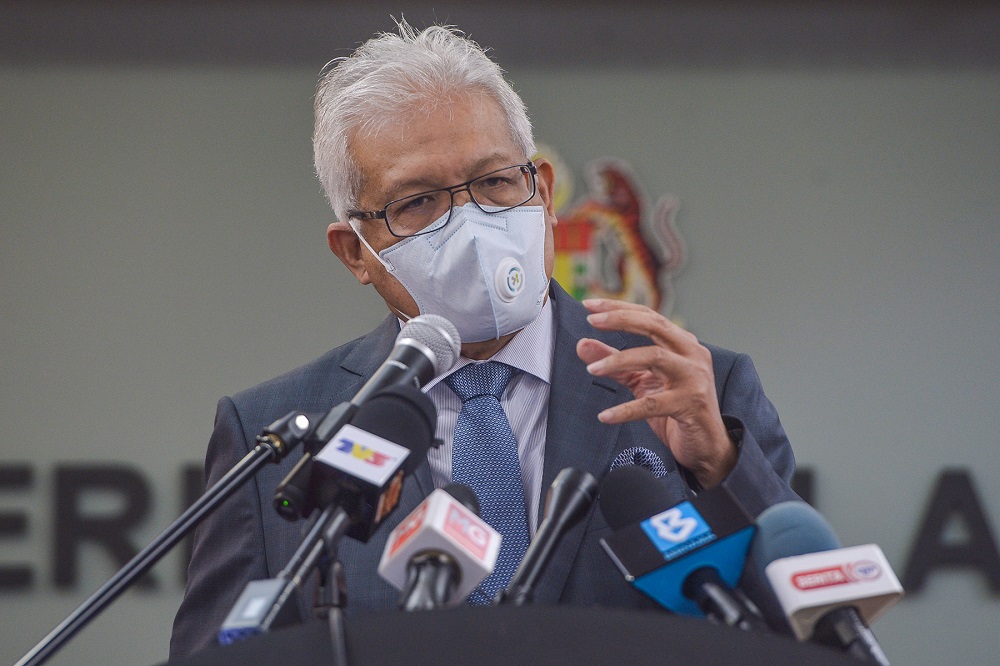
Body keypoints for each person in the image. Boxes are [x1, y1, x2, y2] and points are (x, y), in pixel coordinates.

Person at [170, 21, 800, 659]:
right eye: (417, 202)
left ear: (543, 194)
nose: (471, 223)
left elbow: (813, 636)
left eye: (496, 182)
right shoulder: (271, 439)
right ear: (354, 252)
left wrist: (720, 467)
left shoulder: (697, 393)